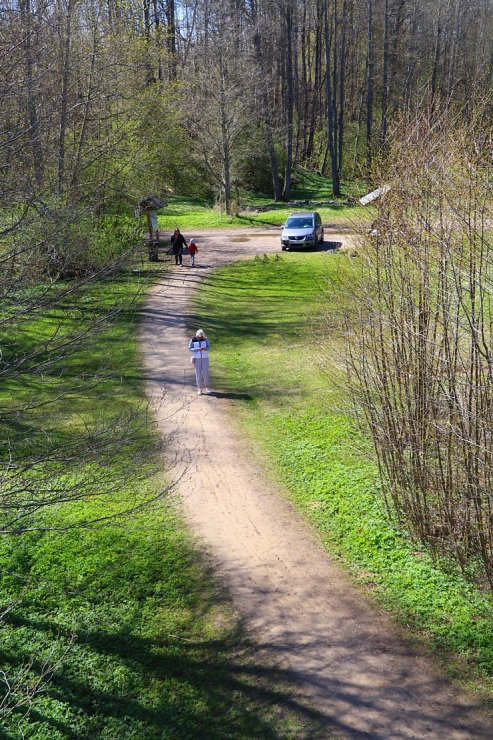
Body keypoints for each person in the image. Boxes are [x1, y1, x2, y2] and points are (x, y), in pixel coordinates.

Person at [188, 329, 211, 395]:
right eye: (199, 336)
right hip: (197, 358)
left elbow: (209, 347)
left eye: (201, 336)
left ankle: (207, 387)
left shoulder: (206, 339)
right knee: (198, 373)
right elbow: (190, 348)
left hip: (205, 358)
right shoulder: (193, 339)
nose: (200, 337)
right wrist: (197, 349)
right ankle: (199, 388)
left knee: (206, 372)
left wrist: (205, 349)